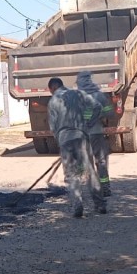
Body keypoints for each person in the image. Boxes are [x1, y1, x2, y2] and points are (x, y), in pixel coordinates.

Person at [47, 77, 105, 218]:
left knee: (71, 174)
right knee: (90, 171)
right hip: (81, 138)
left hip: (65, 140)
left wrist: (60, 143)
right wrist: (89, 123)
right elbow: (97, 106)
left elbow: (53, 127)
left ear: (52, 88)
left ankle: (77, 205)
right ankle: (100, 205)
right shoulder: (78, 94)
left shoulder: (52, 101)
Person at [75, 71, 116, 197]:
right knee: (101, 161)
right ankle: (106, 188)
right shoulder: (99, 95)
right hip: (97, 133)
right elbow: (110, 113)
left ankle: (93, 189)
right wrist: (100, 115)